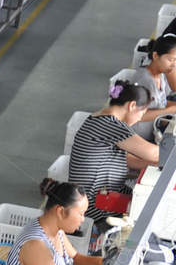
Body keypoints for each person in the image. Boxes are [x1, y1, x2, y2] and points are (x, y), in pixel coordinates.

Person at [1, 179, 103, 265]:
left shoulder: (56, 231)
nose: (83, 219)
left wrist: (103, 262)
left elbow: (75, 259)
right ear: (60, 211)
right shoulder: (35, 245)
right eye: (80, 213)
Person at [69, 80, 162, 230]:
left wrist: (155, 165)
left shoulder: (100, 118)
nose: (139, 119)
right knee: (151, 211)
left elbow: (127, 159)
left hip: (99, 196)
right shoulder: (110, 124)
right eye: (142, 113)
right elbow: (154, 153)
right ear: (132, 106)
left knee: (146, 200)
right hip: (96, 208)